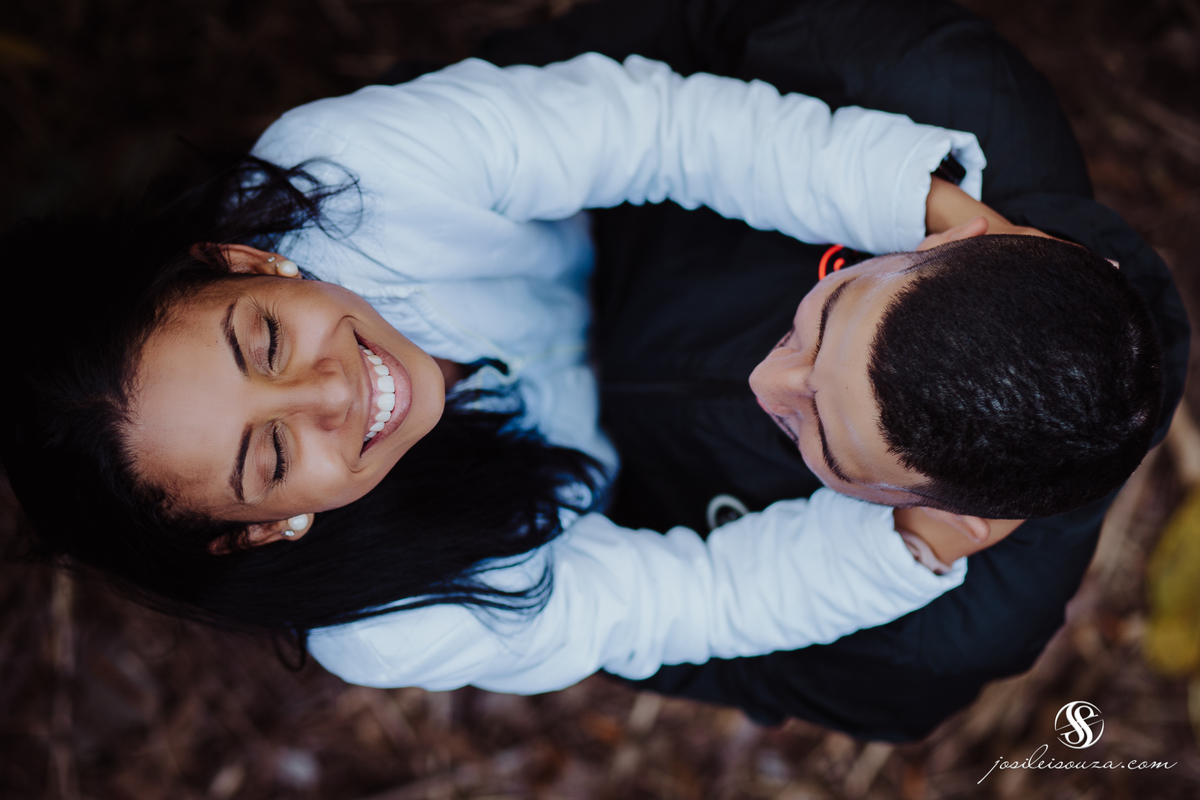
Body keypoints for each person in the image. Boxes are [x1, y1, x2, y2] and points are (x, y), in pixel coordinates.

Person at [0, 51, 996, 693]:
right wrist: (917, 536)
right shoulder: (384, 624)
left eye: (263, 342)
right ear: (260, 527)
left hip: (636, 234)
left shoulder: (350, 169)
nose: (332, 392)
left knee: (921, 95)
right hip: (646, 485)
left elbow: (663, 133)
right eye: (270, 453)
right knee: (932, 642)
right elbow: (674, 602)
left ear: (245, 262)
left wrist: (938, 221)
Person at [476, 0, 1189, 739]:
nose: (766, 382)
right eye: (824, 314)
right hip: (520, 237)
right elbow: (691, 34)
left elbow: (671, 647)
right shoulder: (926, 83)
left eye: (818, 437)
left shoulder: (930, 650)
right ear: (945, 237)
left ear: (941, 515)